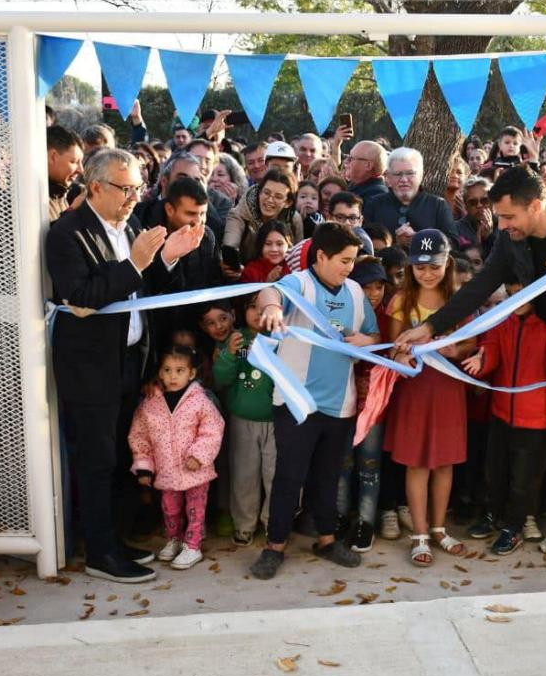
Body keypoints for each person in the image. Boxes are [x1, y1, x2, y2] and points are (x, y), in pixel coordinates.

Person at [394, 166, 546, 573]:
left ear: (536, 206)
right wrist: (429, 328)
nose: (501, 226)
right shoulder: (510, 239)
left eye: (508, 218)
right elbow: (479, 286)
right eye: (499, 218)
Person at [46, 148, 202, 583]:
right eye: (125, 188)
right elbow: (83, 294)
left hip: (130, 362)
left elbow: (147, 286)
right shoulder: (67, 234)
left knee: (120, 456)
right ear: (96, 186)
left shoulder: (130, 224)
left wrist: (169, 255)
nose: (135, 196)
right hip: (90, 369)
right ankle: (99, 552)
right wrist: (135, 262)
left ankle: (114, 540)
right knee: (96, 461)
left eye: (138, 187)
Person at [248, 223, 381, 580]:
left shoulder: (354, 291)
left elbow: (374, 334)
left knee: (328, 477)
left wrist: (365, 343)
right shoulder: (299, 284)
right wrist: (273, 309)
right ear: (320, 256)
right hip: (296, 403)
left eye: (353, 261)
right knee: (289, 478)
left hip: (341, 405)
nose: (349, 268)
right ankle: (274, 546)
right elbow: (269, 294)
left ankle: (326, 540)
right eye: (344, 260)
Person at [461, 280, 546, 555]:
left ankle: (513, 527)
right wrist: (482, 359)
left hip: (535, 418)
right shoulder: (502, 324)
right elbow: (491, 349)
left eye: (522, 294)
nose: (516, 300)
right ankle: (492, 515)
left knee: (524, 479)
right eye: (512, 295)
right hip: (502, 412)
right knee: (495, 471)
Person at [382, 230, 475, 566]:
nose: (427, 273)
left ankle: (439, 528)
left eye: (434, 266)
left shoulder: (459, 299)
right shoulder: (400, 300)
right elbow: (392, 347)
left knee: (445, 462)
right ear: (411, 267)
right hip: (415, 391)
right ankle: (419, 533)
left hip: (448, 389)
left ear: (446, 264)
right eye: (420, 267)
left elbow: (471, 342)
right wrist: (400, 357)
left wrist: (457, 349)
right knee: (417, 462)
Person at [129, 345, 224, 570]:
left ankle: (193, 545)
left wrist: (199, 455)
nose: (173, 376)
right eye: (167, 370)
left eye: (180, 370)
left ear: (191, 373)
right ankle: (174, 539)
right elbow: (139, 435)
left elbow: (213, 429)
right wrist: (144, 467)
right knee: (170, 508)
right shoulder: (150, 404)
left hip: (195, 470)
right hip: (167, 470)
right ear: (160, 373)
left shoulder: (200, 401)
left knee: (195, 508)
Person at [212, 295, 276, 547]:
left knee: (275, 474)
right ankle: (245, 525)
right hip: (242, 419)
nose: (259, 312)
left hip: (276, 420)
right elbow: (221, 379)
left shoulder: (282, 336)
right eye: (252, 307)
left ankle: (274, 523)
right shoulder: (234, 339)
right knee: (244, 475)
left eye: (264, 307)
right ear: (243, 311)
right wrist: (228, 354)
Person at [338, 256, 392, 552]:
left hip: (374, 406)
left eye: (379, 287)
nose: (374, 294)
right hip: (343, 401)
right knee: (342, 463)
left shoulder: (388, 318)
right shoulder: (343, 314)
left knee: (369, 465)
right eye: (366, 287)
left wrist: (370, 343)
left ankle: (366, 523)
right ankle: (341, 517)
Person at [143, 176, 218, 340]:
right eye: (191, 214)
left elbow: (209, 281)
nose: (198, 221)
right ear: (170, 210)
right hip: (156, 332)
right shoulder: (147, 235)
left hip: (196, 330)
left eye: (203, 214)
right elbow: (147, 286)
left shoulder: (206, 237)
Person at [364, 148, 459, 248]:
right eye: (398, 174)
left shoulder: (437, 205)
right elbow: (365, 244)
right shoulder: (374, 204)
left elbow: (453, 244)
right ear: (388, 176)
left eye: (410, 173)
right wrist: (395, 243)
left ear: (421, 175)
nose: (404, 179)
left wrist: (419, 240)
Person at [222, 167, 304, 271]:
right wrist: (232, 269)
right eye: (266, 193)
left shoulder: (294, 220)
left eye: (278, 197)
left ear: (288, 203)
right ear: (259, 192)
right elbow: (230, 247)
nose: (270, 200)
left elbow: (297, 260)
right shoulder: (240, 214)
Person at [47, 126, 84, 222]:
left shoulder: (60, 194)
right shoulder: (29, 197)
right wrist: (72, 210)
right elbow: (49, 236)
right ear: (53, 156)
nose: (80, 170)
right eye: (74, 161)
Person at [344, 140, 389, 204]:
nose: (346, 162)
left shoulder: (377, 195)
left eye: (351, 158)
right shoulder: (355, 185)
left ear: (368, 165)